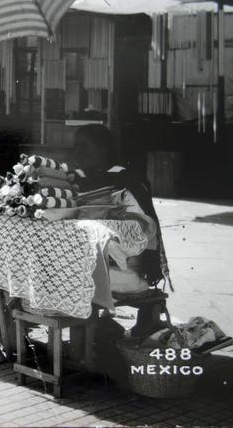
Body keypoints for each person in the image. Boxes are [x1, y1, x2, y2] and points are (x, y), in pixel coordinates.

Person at [72, 124, 171, 336]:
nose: (77, 153)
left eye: (84, 147)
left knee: (69, 278)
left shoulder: (125, 180)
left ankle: (91, 334)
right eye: (75, 147)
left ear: (104, 149)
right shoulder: (76, 179)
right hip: (96, 263)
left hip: (125, 270)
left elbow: (142, 233)